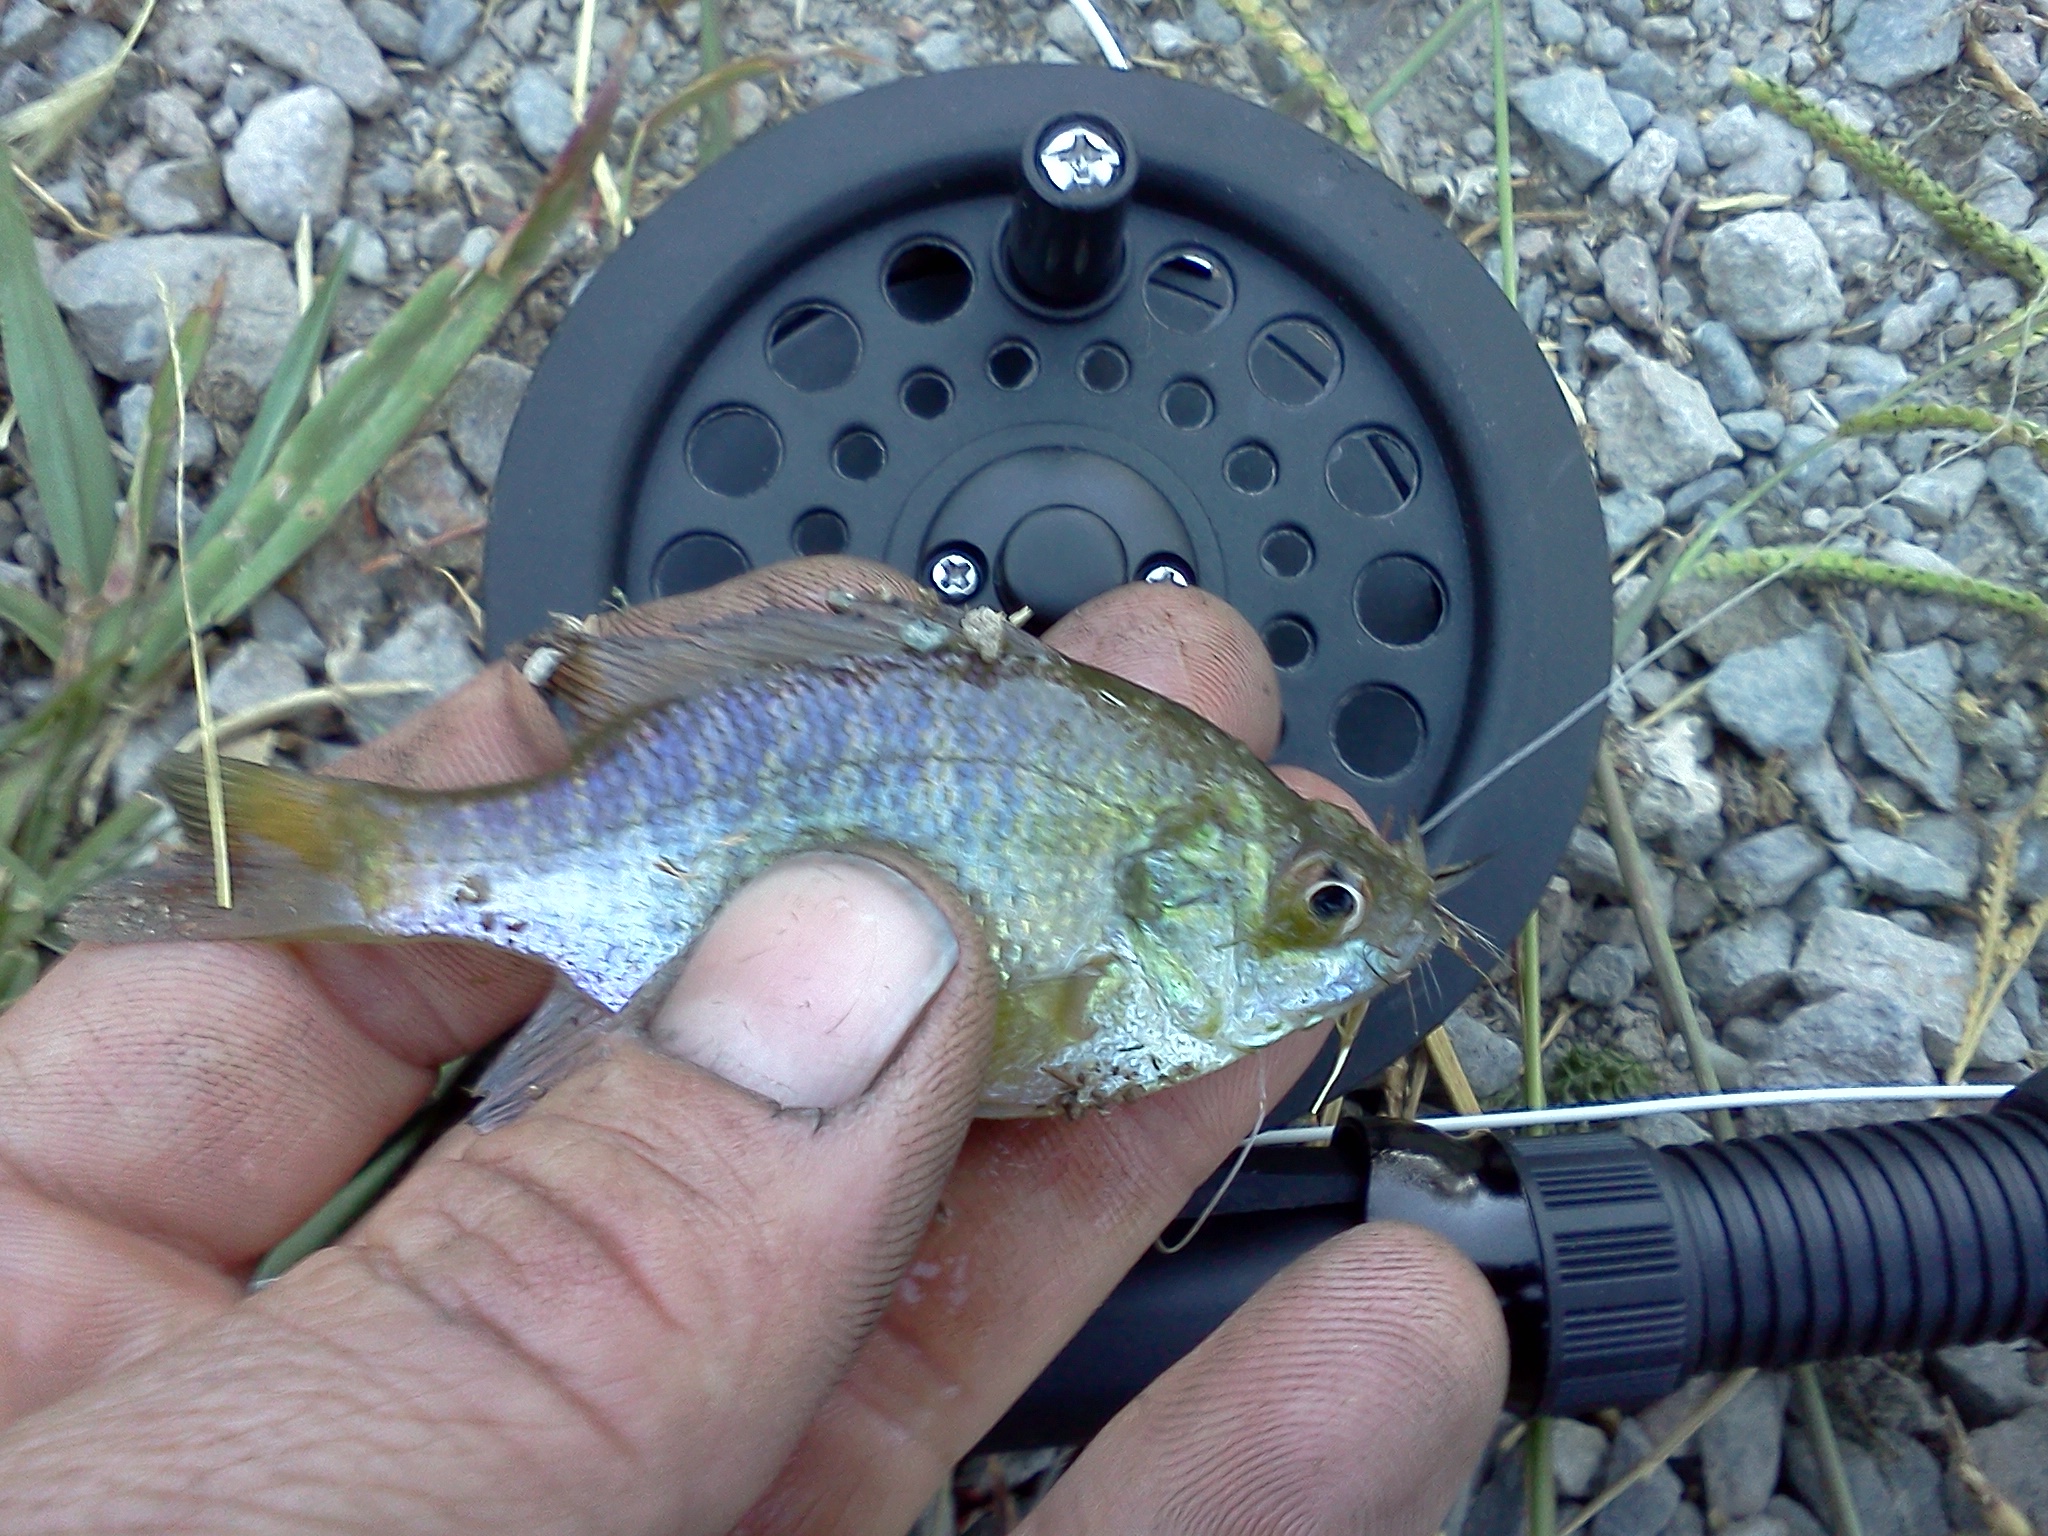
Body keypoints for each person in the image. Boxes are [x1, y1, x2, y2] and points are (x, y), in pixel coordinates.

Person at [0, 559, 1504, 1533]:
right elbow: (1035, 1034)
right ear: (1179, 881)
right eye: (1320, 904)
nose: (1344, 934)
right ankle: (333, 856)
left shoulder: (1165, 855)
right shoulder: (1144, 904)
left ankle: (298, 852)